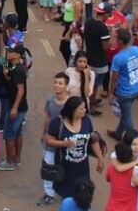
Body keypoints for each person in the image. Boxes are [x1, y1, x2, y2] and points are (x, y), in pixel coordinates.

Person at [46, 96, 104, 199]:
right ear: (72, 110)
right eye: (81, 108)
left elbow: (93, 140)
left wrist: (100, 158)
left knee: (83, 195)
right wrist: (64, 144)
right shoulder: (57, 122)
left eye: (85, 108)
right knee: (67, 197)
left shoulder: (86, 120)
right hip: (64, 169)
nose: (85, 110)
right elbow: (48, 140)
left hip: (82, 169)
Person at [38, 72, 71, 206]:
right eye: (55, 82)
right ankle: (49, 194)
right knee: (48, 168)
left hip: (66, 143)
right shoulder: (50, 100)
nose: (57, 85)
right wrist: (42, 133)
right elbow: (47, 116)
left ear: (66, 86)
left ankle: (66, 193)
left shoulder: (71, 103)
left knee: (67, 167)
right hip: (50, 141)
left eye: (60, 83)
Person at [108, 28, 138, 141]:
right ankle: (119, 132)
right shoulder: (135, 50)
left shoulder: (118, 58)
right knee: (125, 113)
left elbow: (114, 78)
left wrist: (111, 93)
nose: (112, 39)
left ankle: (132, 140)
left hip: (124, 92)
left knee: (128, 118)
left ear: (120, 42)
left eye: (114, 37)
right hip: (136, 88)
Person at [0, 44, 29, 170]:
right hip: (21, 106)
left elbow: (20, 90)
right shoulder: (15, 68)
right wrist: (6, 75)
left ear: (18, 55)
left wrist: (14, 107)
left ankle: (9, 162)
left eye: (12, 51)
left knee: (9, 134)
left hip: (16, 106)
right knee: (18, 133)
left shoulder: (19, 70)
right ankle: (17, 158)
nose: (9, 53)